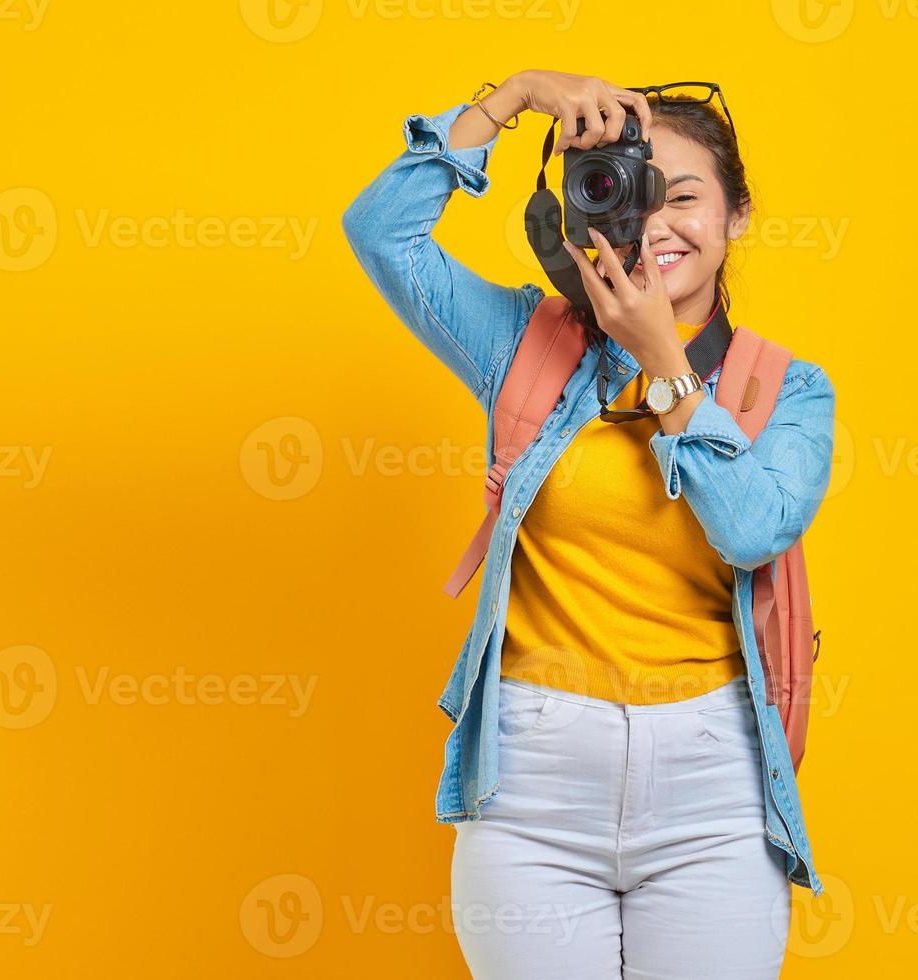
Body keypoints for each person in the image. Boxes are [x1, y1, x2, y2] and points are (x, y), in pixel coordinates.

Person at [342, 69, 836, 980]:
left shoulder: (788, 389)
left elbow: (753, 531)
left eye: (682, 196)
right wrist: (509, 98)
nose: (655, 225)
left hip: (712, 787)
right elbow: (379, 232)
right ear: (574, 217)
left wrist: (665, 366)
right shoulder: (525, 344)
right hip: (533, 780)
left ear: (736, 217)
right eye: (627, 192)